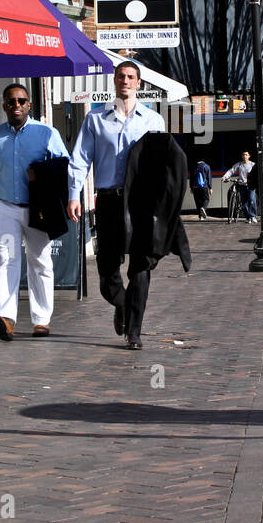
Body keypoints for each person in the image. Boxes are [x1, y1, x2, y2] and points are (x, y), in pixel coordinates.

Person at [68, 61, 166, 350]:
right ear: (114, 80)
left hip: (141, 202)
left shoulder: (153, 121)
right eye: (121, 76)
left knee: (141, 267)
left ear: (138, 84)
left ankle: (134, 331)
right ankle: (121, 303)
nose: (126, 81)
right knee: (107, 268)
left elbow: (161, 165)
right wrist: (74, 194)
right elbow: (80, 159)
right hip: (109, 200)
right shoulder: (96, 119)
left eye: (131, 77)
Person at [0, 83, 69, 341]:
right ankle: (4, 318)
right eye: (11, 102)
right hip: (5, 207)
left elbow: (65, 167)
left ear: (29, 105)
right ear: (4, 106)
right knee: (6, 259)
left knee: (40, 261)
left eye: (21, 101)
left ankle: (41, 320)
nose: (16, 105)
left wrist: (63, 195)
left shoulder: (46, 133)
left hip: (38, 209)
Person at [222, 150, 257, 221]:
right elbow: (231, 170)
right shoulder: (239, 164)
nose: (245, 156)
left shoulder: (252, 164)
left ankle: (253, 216)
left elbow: (256, 174)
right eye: (243, 155)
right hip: (242, 185)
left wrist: (249, 180)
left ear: (249, 156)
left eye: (246, 155)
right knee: (244, 203)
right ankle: (248, 217)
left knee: (252, 199)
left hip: (250, 185)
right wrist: (225, 177)